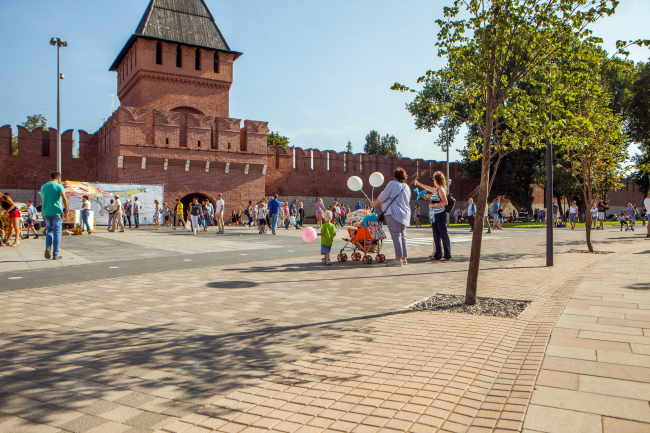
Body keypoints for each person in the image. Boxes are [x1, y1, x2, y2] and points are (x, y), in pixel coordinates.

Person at [371, 167, 411, 267]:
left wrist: (374, 203)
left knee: (396, 236)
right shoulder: (407, 187)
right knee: (403, 236)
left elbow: (383, 196)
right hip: (405, 214)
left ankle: (398, 260)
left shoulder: (392, 184)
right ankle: (404, 258)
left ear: (395, 176)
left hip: (393, 213)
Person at [417, 171, 451, 262]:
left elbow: (445, 202)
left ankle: (447, 254)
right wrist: (419, 184)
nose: (433, 179)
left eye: (434, 178)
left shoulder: (441, 189)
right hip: (433, 214)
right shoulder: (436, 189)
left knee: (443, 234)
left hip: (439, 214)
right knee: (436, 234)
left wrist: (433, 205)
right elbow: (428, 188)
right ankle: (438, 254)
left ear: (437, 179)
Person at [40, 172, 69, 259]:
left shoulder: (43, 186)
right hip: (56, 212)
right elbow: (64, 198)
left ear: (49, 177)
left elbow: (42, 199)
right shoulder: (59, 186)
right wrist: (67, 210)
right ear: (59, 178)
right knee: (57, 233)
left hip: (46, 212)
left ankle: (48, 247)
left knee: (49, 230)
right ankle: (55, 254)